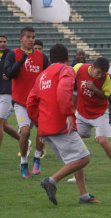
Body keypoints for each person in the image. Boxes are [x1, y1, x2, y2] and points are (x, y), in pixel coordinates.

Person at [27, 43, 100, 205]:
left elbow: (30, 102)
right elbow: (63, 91)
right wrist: (68, 114)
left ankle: (84, 195)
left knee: (75, 159)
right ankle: (51, 181)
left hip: (46, 127)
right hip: (60, 124)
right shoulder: (65, 69)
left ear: (50, 59)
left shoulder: (42, 75)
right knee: (84, 158)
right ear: (67, 58)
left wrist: (40, 125)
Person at [67, 57, 111, 183]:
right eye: (98, 72)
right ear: (92, 67)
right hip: (82, 113)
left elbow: (106, 96)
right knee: (74, 140)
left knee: (102, 140)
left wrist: (94, 88)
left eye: (102, 74)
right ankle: (79, 175)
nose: (99, 76)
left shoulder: (106, 78)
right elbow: (66, 76)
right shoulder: (79, 68)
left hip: (100, 113)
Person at [4, 26, 49, 178]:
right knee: (25, 131)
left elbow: (47, 76)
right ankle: (23, 162)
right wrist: (21, 61)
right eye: (28, 37)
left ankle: (37, 158)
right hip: (21, 102)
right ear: (21, 39)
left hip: (38, 102)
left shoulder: (42, 57)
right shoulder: (13, 54)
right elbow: (9, 73)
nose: (31, 40)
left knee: (42, 131)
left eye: (33, 37)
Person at [0, 35, 20, 147]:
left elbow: (17, 70)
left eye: (4, 41)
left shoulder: (11, 55)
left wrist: (11, 74)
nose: (3, 44)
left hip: (6, 94)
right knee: (5, 126)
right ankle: (25, 141)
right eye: (0, 42)